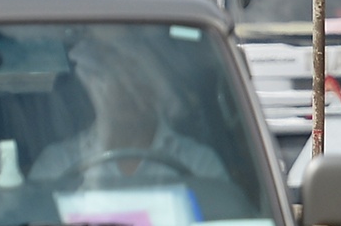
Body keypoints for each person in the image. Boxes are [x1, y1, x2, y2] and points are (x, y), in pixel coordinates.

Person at [30, 38, 227, 188]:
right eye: (115, 77)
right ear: (94, 87)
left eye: (138, 77)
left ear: (157, 88)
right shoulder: (57, 165)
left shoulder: (199, 164)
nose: (127, 90)